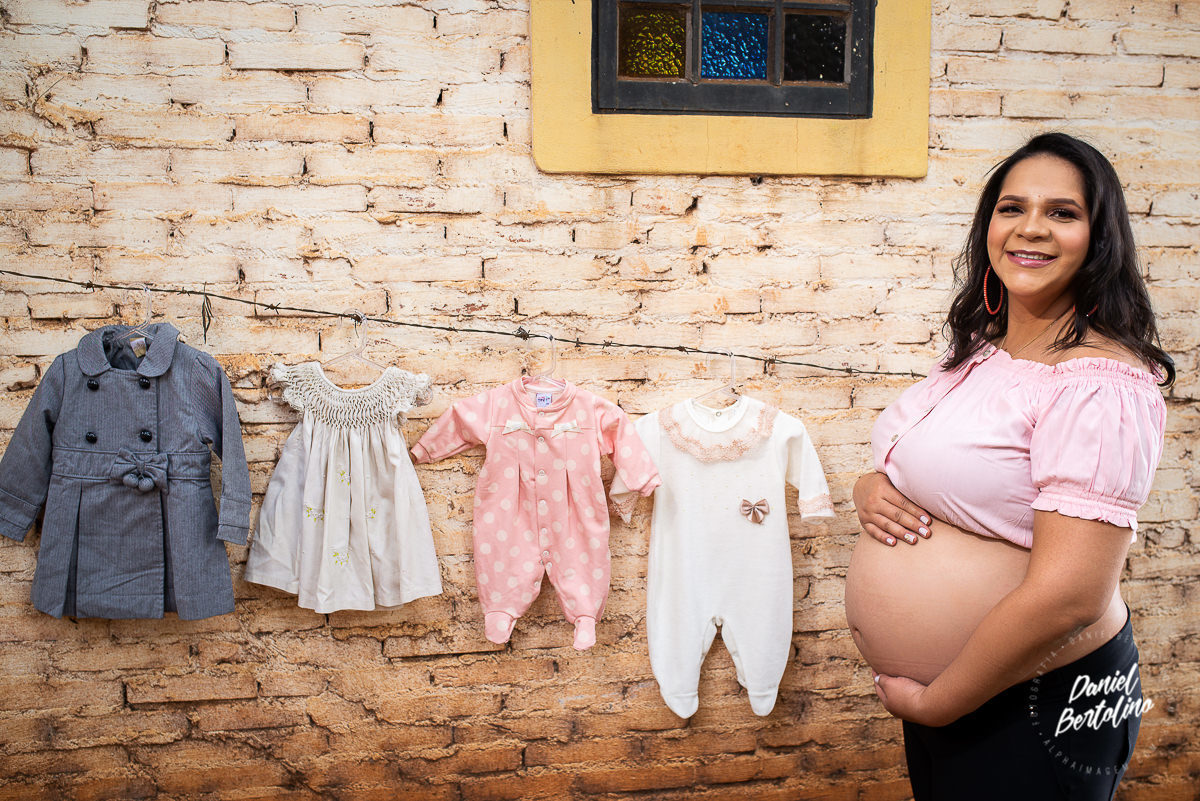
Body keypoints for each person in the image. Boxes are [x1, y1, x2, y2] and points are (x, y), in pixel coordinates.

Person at [844, 132, 1173, 800]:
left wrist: (941, 702)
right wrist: (868, 486)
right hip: (964, 694)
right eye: (1012, 207)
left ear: (1099, 236)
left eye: (1062, 212)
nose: (1031, 229)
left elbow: (1070, 595)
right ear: (988, 224)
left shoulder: (1099, 382)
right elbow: (927, 457)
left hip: (1034, 704)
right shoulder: (983, 349)